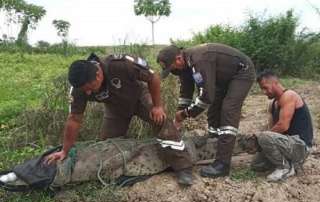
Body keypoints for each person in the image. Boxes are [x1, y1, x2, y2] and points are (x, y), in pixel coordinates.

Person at [44, 53, 193, 186]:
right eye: (84, 90)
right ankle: (122, 171)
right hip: (115, 108)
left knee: (162, 122)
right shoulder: (79, 89)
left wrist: (157, 106)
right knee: (106, 145)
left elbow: (153, 77)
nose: (88, 92)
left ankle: (183, 167)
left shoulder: (121, 64)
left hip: (139, 97)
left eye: (90, 88)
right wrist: (65, 150)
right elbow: (74, 119)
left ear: (98, 75)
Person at [157, 43, 255, 178]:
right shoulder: (184, 67)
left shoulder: (199, 61)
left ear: (179, 59)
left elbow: (206, 97)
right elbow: (185, 93)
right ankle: (215, 143)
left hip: (242, 72)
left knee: (228, 109)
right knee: (214, 108)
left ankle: (223, 164)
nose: (172, 71)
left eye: (171, 67)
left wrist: (185, 114)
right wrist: (178, 115)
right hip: (224, 77)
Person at [250, 69, 313, 181]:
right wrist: (261, 143)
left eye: (265, 87)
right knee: (256, 165)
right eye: (261, 89)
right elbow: (271, 129)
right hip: (286, 143)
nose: (264, 92)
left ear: (275, 83)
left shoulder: (289, 96)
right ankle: (289, 162)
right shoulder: (273, 104)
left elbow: (283, 126)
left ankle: (285, 167)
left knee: (264, 136)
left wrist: (261, 138)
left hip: (300, 146)